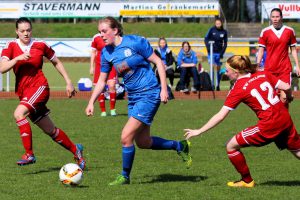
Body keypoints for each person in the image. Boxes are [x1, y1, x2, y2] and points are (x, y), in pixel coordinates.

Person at [85, 16, 192, 185]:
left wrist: (164, 89)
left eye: (104, 31)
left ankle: (124, 176)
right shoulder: (106, 52)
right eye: (99, 32)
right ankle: (180, 146)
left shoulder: (135, 42)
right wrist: (91, 101)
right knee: (143, 142)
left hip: (149, 94)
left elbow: (158, 62)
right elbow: (102, 80)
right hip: (133, 97)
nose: (101, 35)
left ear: (115, 30)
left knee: (126, 136)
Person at [184, 55, 300, 188]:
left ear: (236, 72)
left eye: (227, 70)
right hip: (284, 118)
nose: (226, 73)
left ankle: (247, 181)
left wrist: (199, 131)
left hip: (270, 124)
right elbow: (286, 85)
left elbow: (220, 116)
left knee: (231, 146)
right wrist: (289, 96)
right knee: (296, 149)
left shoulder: (238, 88)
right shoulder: (262, 73)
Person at [0, 17, 85, 170]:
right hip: (24, 92)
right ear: (16, 32)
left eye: (28, 30)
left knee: (19, 113)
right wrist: (17, 58)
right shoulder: (11, 46)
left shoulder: (40, 45)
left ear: (31, 30)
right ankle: (76, 150)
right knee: (50, 130)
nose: (26, 33)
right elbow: (2, 67)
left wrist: (68, 81)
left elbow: (56, 61)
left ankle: (29, 154)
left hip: (39, 87)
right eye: (22, 31)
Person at [257, 8, 300, 104]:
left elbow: (293, 50)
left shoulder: (289, 31)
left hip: (284, 69)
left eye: (277, 16)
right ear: (270, 18)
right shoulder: (265, 31)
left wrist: (297, 65)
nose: (275, 19)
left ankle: (285, 119)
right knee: (272, 100)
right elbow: (261, 50)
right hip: (269, 70)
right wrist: (257, 64)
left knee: (284, 99)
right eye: (273, 17)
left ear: (281, 17)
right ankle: (274, 119)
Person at [90, 28, 118, 117]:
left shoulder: (111, 36)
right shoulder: (96, 38)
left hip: (112, 64)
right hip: (99, 66)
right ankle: (103, 111)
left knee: (112, 85)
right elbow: (93, 52)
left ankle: (113, 109)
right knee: (100, 88)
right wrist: (91, 66)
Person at [204, 17, 228, 91]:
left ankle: (217, 85)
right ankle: (212, 85)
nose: (218, 24)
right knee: (212, 68)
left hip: (218, 53)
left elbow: (225, 43)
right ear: (215, 23)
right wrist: (208, 48)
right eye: (216, 23)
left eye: (219, 23)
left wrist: (222, 53)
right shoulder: (211, 30)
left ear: (221, 24)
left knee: (218, 70)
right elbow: (206, 39)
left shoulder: (224, 32)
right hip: (211, 53)